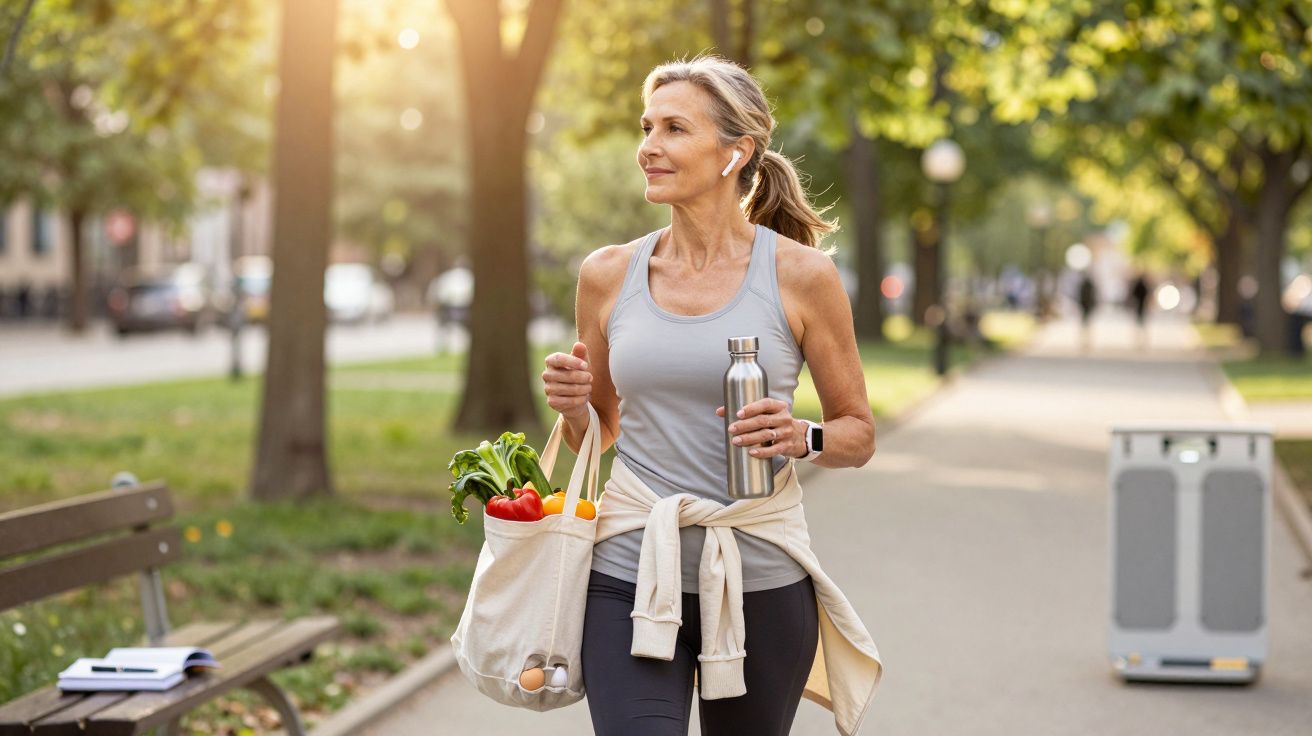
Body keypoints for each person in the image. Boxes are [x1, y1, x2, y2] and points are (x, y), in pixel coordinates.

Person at [541, 57, 881, 735]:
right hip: (630, 571)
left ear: (737, 151)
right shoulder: (608, 274)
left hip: (760, 578)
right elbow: (597, 433)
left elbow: (858, 434)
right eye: (646, 127)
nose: (649, 146)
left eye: (673, 128)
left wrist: (803, 436)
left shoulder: (802, 276)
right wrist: (575, 404)